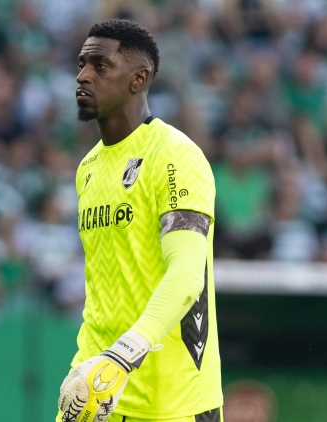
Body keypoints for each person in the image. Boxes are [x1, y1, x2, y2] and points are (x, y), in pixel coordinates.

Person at [57, 19, 222, 422]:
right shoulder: (88, 167)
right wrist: (100, 362)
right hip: (96, 385)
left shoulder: (174, 155)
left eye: (100, 66)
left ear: (139, 78)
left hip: (170, 400)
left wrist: (124, 353)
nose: (83, 76)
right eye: (82, 64)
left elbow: (186, 274)